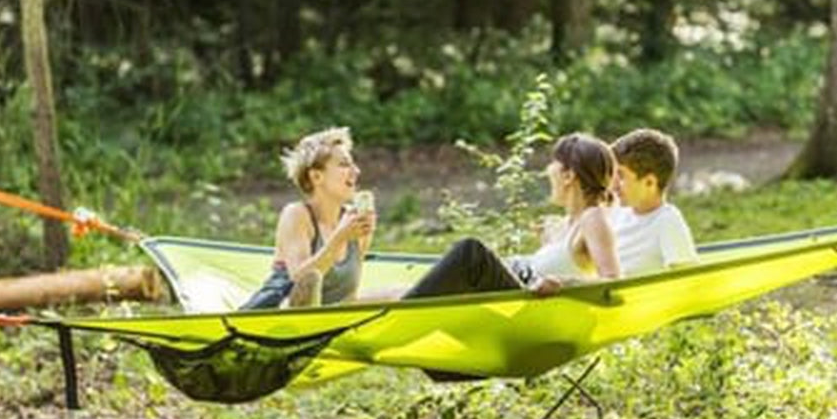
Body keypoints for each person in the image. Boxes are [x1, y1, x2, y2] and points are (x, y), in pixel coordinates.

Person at [402, 132, 619, 300]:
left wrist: (563, 284)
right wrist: (551, 241)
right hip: (515, 282)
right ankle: (381, 312)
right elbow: (569, 260)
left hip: (521, 306)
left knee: (471, 252)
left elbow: (612, 283)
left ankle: (398, 320)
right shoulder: (569, 224)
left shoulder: (593, 218)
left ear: (569, 175)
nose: (548, 169)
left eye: (554, 163)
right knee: (405, 290)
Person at [240, 127, 375, 309]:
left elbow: (350, 293)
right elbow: (301, 280)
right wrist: (340, 238)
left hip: (330, 316)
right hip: (281, 316)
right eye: (344, 164)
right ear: (316, 176)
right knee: (310, 283)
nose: (356, 171)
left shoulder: (354, 222)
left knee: (401, 294)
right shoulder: (297, 215)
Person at [609, 128, 697, 274]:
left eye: (621, 176)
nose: (613, 185)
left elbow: (686, 280)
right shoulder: (616, 213)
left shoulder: (667, 221)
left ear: (649, 182)